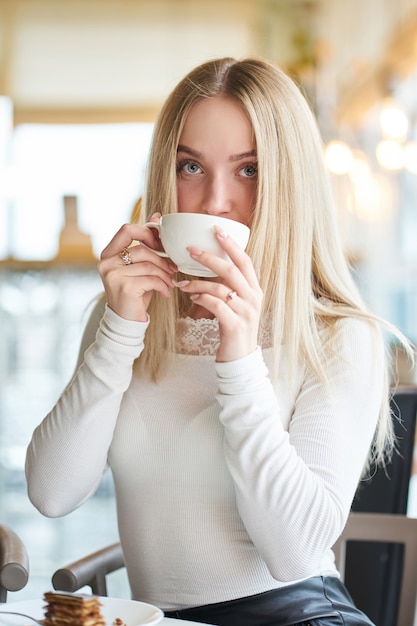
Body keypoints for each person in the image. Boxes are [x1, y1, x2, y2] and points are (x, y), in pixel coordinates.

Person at [25, 57, 413, 626]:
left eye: (249, 170)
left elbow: (292, 551)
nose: (213, 201)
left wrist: (241, 362)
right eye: (190, 166)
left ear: (290, 182)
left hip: (299, 613)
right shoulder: (128, 320)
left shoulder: (337, 335)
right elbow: (52, 494)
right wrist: (119, 332)